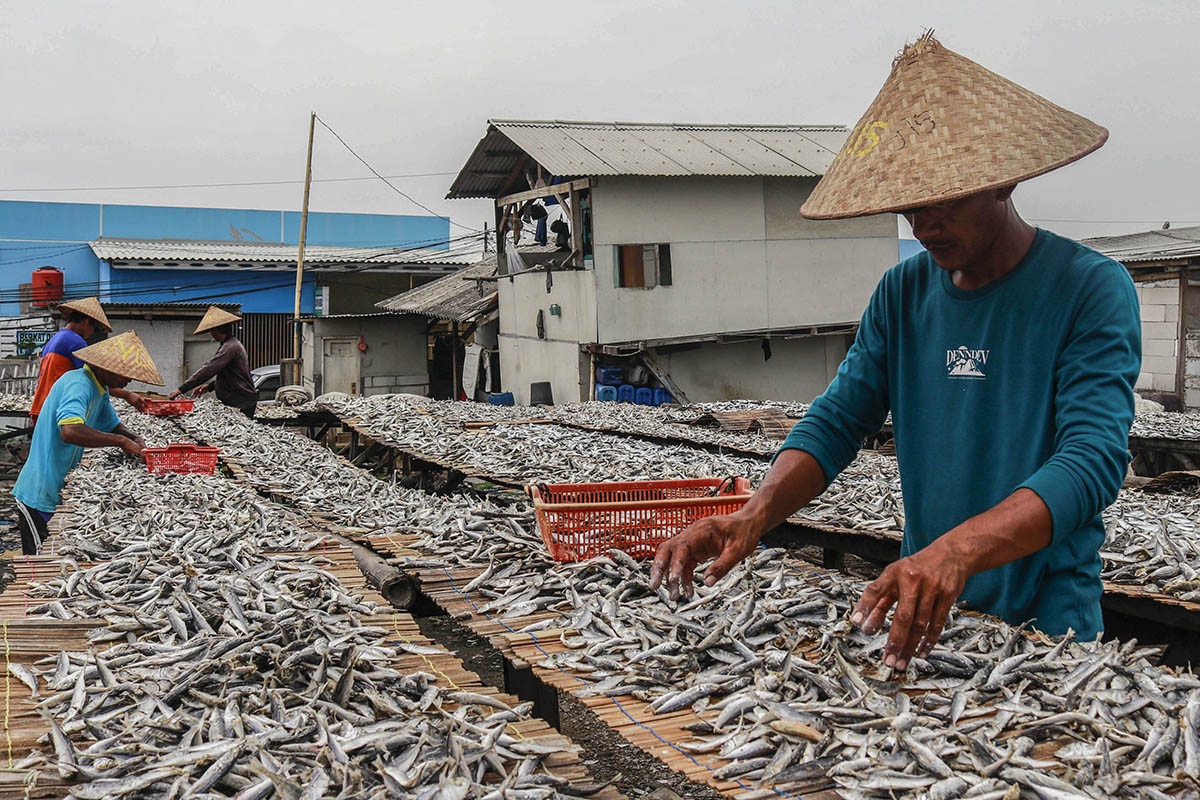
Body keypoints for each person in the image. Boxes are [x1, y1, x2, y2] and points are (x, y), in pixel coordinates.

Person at [651, 33, 1140, 671]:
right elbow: (838, 420)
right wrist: (751, 517)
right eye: (912, 204)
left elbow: (1092, 460)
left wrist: (957, 552)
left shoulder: (1090, 289)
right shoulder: (903, 292)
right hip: (927, 610)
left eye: (947, 199)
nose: (924, 224)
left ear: (1004, 179)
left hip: (1049, 627)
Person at [13, 331, 162, 554]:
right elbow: (70, 431)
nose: (128, 380)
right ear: (105, 367)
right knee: (39, 565)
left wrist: (134, 437)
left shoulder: (98, 390)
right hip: (39, 494)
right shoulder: (78, 384)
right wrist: (121, 442)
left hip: (58, 488)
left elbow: (112, 424)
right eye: (124, 374)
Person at [30, 297, 145, 424]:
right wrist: (127, 395)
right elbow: (94, 379)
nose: (92, 332)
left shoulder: (55, 339)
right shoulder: (75, 341)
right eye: (94, 327)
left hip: (41, 406)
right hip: (57, 409)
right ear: (86, 321)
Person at [169, 306, 258, 418]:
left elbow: (209, 369)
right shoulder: (229, 345)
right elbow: (231, 376)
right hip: (238, 400)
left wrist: (181, 389)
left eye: (212, 330)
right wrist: (210, 386)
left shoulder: (230, 347)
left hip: (242, 401)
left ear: (217, 329)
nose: (211, 333)